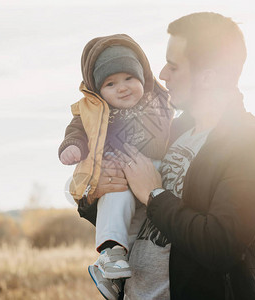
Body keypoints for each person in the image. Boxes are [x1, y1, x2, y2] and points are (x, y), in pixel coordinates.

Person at [77, 12, 255, 300]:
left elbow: (219, 246)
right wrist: (92, 194)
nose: (161, 74)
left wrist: (155, 194)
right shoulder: (168, 132)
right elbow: (125, 210)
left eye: (173, 66)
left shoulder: (253, 146)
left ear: (208, 76)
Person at [58, 34, 173, 298]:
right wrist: (72, 148)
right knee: (117, 207)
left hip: (156, 177)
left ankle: (116, 274)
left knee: (140, 237)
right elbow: (76, 131)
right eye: (111, 83)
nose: (122, 87)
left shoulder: (162, 103)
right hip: (118, 176)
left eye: (129, 78)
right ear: (98, 91)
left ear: (143, 76)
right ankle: (111, 258)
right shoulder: (97, 114)